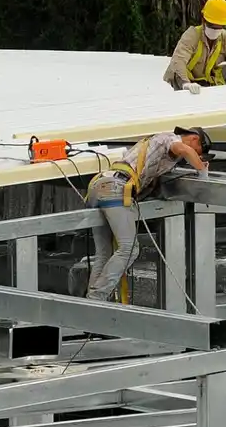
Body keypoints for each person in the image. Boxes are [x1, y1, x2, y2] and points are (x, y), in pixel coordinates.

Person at [85, 126, 213, 302]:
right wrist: (202, 173)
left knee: (104, 253)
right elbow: (184, 149)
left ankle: (90, 301)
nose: (197, 157)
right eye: (199, 152)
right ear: (194, 139)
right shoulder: (170, 139)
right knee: (129, 248)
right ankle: (97, 297)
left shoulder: (160, 152)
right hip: (116, 187)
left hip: (101, 185)